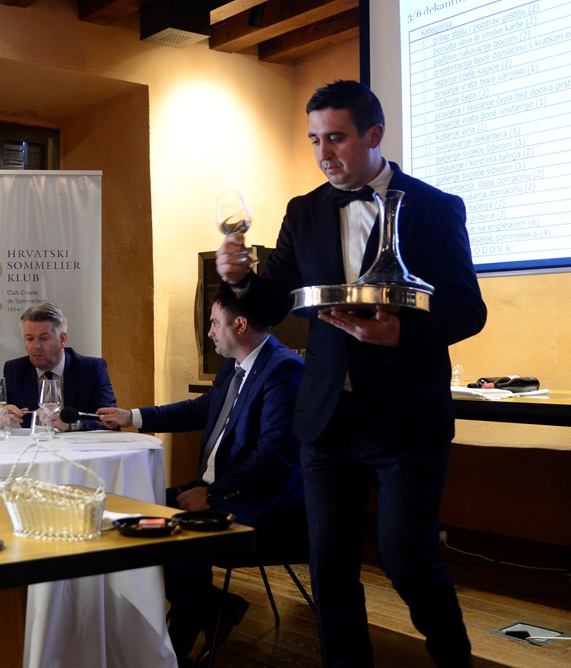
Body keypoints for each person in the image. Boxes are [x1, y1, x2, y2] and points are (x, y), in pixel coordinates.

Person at [216, 80, 487, 667]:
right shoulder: (304, 210)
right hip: (327, 419)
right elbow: (270, 306)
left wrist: (400, 334)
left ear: (373, 134)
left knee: (408, 562)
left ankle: (454, 661)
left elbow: (469, 310)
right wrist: (239, 280)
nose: (323, 153)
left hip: (406, 418)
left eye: (335, 138)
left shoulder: (436, 207)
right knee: (330, 567)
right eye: (315, 140)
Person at [98, 287, 304, 666]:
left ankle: (178, 646)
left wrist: (213, 496)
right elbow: (198, 410)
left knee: (175, 537)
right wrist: (132, 417)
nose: (209, 332)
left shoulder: (284, 370)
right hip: (214, 492)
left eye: (214, 323)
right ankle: (214, 607)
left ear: (239, 325)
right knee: (127, 519)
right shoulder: (234, 366)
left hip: (260, 506)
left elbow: (275, 459)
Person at [2, 302, 116, 431]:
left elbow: (110, 421)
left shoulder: (91, 369)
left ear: (62, 339)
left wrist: (72, 425)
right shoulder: (14, 370)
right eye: (29, 339)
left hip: (79, 443)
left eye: (44, 339)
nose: (36, 346)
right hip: (35, 443)